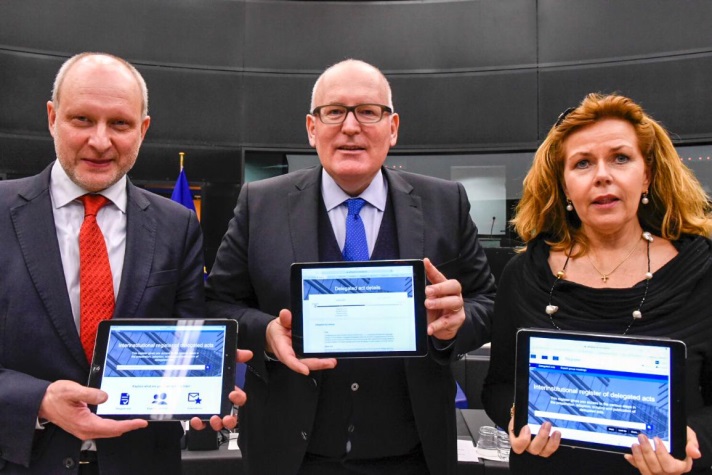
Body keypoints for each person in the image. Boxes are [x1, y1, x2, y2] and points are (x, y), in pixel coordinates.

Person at [205, 59, 496, 475]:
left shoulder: (444, 202)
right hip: (289, 455)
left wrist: (455, 325)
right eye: (334, 111)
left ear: (392, 127)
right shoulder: (260, 203)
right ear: (312, 127)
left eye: (368, 111)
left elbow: (485, 300)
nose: (351, 127)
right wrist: (267, 334)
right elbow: (217, 304)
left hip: (413, 455)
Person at [0, 52, 248, 474]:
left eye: (119, 123)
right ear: (51, 117)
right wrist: (38, 399)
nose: (100, 141)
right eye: (81, 120)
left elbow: (186, 340)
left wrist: (207, 387)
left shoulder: (178, 225)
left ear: (143, 129)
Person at [482, 93, 712, 474]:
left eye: (620, 158)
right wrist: (515, 414)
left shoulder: (703, 271)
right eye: (583, 163)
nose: (602, 174)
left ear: (648, 174)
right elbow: (497, 386)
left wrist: (695, 438)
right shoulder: (523, 274)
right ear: (565, 185)